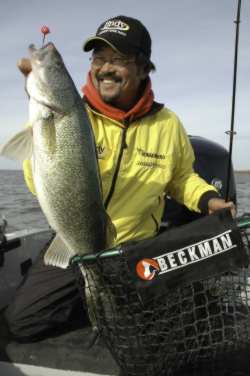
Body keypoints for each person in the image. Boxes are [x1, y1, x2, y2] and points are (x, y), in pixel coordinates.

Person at [5, 15, 235, 342]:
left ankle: (104, 301)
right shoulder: (74, 116)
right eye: (98, 58)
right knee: (22, 322)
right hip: (74, 239)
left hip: (135, 245)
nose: (105, 68)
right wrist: (37, 102)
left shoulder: (167, 124)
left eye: (119, 60)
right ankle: (90, 296)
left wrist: (208, 199)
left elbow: (182, 178)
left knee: (152, 334)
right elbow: (39, 178)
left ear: (143, 68)